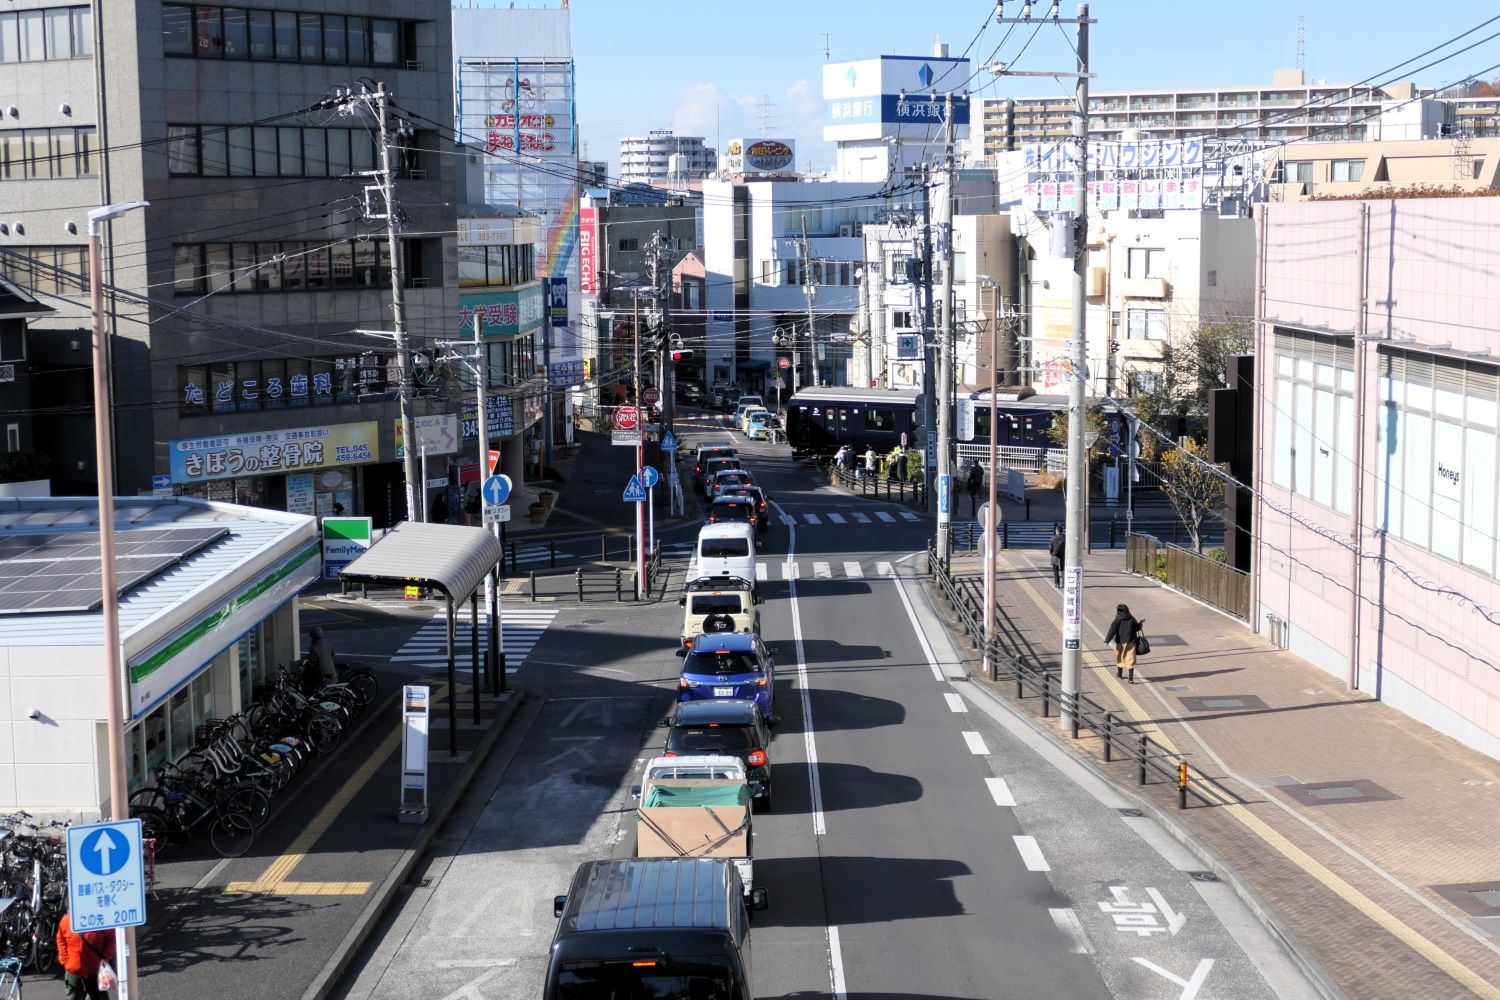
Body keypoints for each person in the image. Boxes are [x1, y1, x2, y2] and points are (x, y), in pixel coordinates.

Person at [57, 909, 115, 1000]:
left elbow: (112, 940)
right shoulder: (66, 920)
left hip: (96, 971)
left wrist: (105, 959)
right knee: (72, 997)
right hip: (73, 970)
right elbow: (61, 939)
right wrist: (64, 960)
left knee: (98, 997)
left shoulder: (101, 918)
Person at [1105, 603, 1144, 683]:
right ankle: (1130, 679)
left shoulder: (1117, 620)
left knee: (1119, 657)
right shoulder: (1131, 618)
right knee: (1130, 659)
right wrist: (1140, 623)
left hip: (1120, 642)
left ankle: (1120, 674)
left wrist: (1107, 641)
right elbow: (1137, 628)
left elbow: (1112, 631)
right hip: (1131, 642)